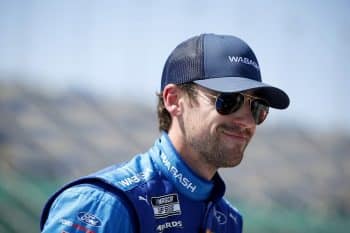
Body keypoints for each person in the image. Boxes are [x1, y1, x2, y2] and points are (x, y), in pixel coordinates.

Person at [40, 33, 289, 233]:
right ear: (174, 100)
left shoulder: (228, 220)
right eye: (228, 100)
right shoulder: (104, 205)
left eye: (258, 107)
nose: (246, 120)